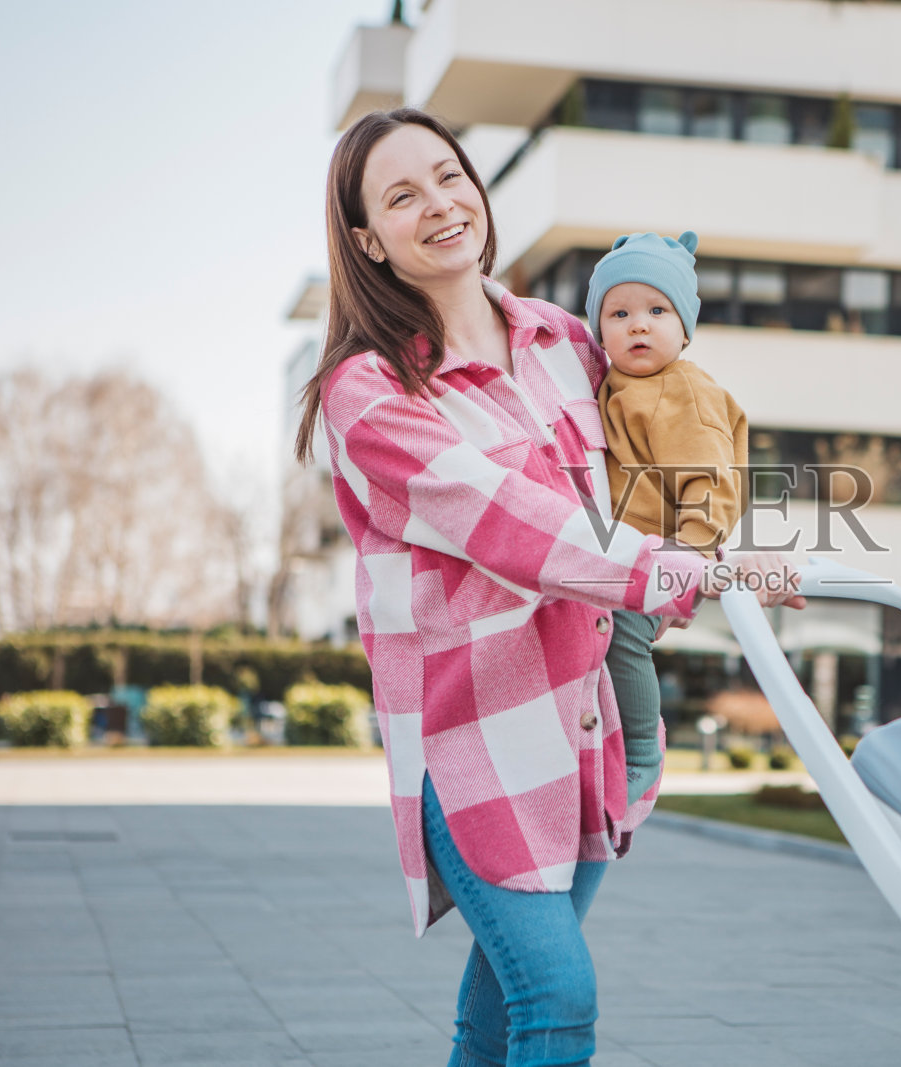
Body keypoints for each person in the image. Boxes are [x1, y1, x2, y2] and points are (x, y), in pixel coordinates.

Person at [294, 108, 804, 1067]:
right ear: (367, 238)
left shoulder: (572, 340)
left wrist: (723, 534)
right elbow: (516, 528)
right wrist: (692, 570)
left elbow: (664, 446)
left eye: (449, 175)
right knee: (558, 997)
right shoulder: (369, 393)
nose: (441, 205)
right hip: (478, 739)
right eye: (402, 196)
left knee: (500, 1011)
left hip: (593, 729)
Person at [585, 230, 749, 803]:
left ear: (685, 328)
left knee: (623, 635)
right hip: (620, 555)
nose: (638, 324)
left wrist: (694, 553)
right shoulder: (615, 384)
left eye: (658, 310)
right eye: (619, 312)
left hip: (668, 551)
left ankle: (642, 754)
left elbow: (713, 477)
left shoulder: (682, 390)